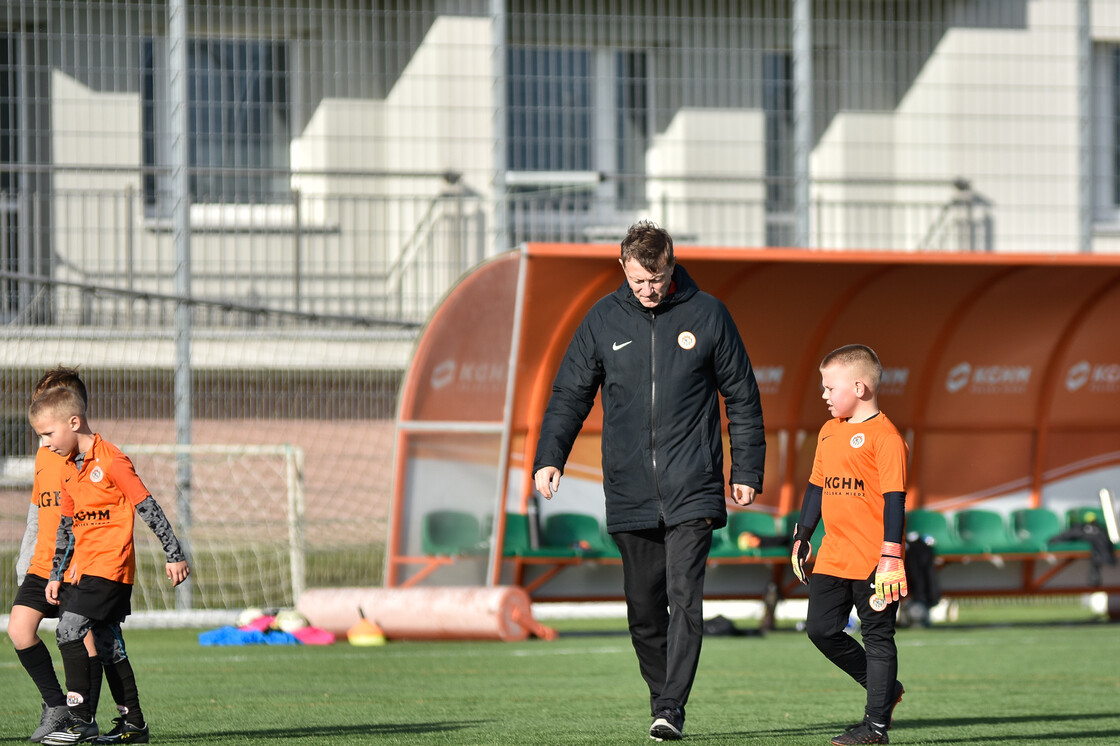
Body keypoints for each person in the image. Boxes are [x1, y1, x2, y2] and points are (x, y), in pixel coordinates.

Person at [533, 220, 766, 741]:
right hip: (629, 487)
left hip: (694, 484)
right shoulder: (602, 319)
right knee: (643, 608)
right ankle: (663, 698)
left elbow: (742, 397)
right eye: (638, 281)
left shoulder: (708, 315)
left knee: (685, 598)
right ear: (623, 268)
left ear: (671, 263)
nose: (648, 290)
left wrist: (746, 470)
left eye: (656, 279)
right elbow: (570, 394)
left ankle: (670, 708)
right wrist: (551, 457)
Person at [29, 386, 191, 745]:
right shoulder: (68, 470)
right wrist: (55, 574)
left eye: (49, 434)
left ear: (74, 421)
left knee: (68, 630)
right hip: (82, 571)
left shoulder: (113, 459)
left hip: (111, 569)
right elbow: (66, 529)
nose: (46, 443)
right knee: (107, 646)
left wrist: (174, 553)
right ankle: (134, 725)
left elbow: (147, 506)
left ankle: (79, 719)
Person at [791, 344, 908, 745]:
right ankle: (886, 690)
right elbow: (816, 487)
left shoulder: (887, 437)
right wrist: (803, 535)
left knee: (878, 637)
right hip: (833, 554)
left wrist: (891, 556)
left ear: (859, 387)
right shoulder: (828, 431)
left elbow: (895, 499)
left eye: (829, 387)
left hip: (877, 561)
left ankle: (875, 726)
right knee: (820, 630)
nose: (823, 395)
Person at [11, 367, 124, 742]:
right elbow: (36, 513)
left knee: (84, 641)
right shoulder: (44, 456)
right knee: (19, 630)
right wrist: (25, 562)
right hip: (40, 565)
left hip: (77, 568)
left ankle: (83, 718)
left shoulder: (86, 459)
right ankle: (56, 706)